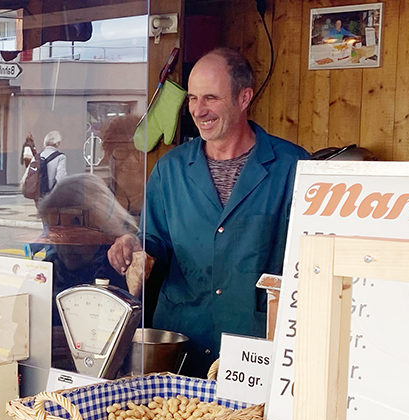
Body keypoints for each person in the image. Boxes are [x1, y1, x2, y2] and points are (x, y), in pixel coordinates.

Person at [107, 47, 310, 377]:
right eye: (192, 98)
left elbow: (309, 261)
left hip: (255, 350)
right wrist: (133, 246)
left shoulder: (295, 168)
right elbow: (153, 242)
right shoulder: (170, 170)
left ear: (244, 98)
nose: (198, 110)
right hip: (181, 346)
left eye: (210, 98)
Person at [36, 173, 138, 370]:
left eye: (75, 223)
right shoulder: (48, 268)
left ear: (102, 225)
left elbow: (127, 339)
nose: (66, 239)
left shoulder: (120, 269)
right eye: (56, 225)